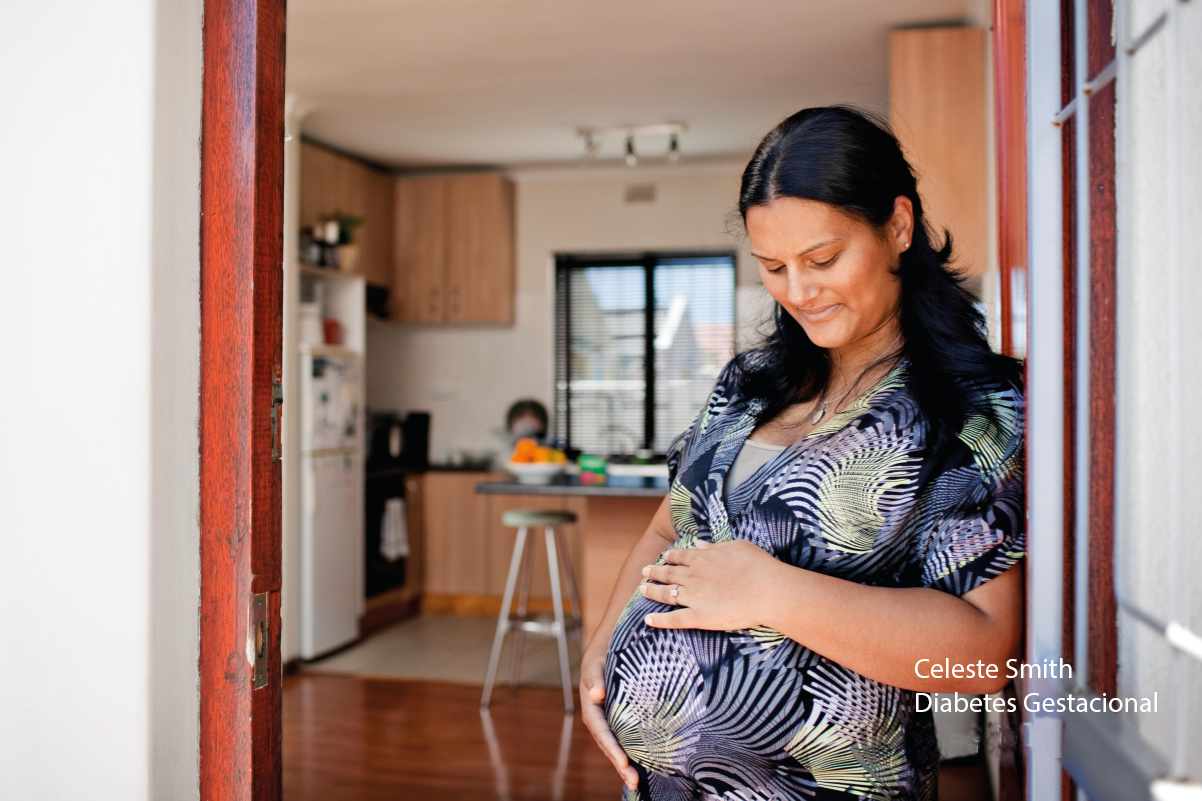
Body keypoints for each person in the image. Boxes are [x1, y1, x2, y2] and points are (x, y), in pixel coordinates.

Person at [579, 106, 1024, 801]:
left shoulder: (964, 407)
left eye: (822, 260)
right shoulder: (746, 385)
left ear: (898, 226)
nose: (798, 292)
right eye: (774, 267)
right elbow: (668, 528)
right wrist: (601, 648)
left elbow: (980, 658)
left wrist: (771, 591)